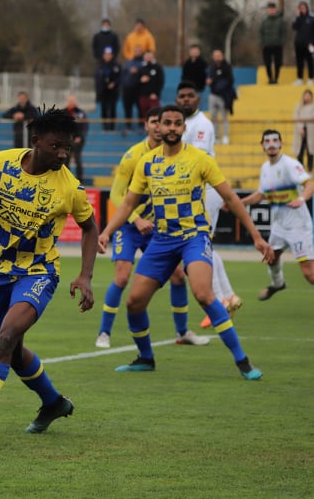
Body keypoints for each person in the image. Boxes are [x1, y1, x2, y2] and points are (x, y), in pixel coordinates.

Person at [0, 108, 98, 454]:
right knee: (10, 352)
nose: (63, 154)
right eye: (56, 146)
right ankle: (53, 403)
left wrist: (85, 275)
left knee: (5, 339)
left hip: (40, 272)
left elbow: (90, 228)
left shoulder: (70, 187)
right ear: (36, 141)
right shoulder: (0, 163)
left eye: (68, 148)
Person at [97, 104, 273, 380]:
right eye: (167, 122)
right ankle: (146, 358)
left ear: (184, 127)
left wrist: (257, 237)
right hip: (162, 239)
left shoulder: (200, 159)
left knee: (203, 294)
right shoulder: (147, 162)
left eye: (177, 123)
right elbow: (128, 203)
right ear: (159, 126)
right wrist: (107, 231)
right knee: (134, 302)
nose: (171, 128)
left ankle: (243, 362)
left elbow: (230, 198)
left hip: (194, 236)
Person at [95, 107, 205, 349]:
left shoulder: (175, 155)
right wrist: (136, 219)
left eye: (160, 122)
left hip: (157, 229)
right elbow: (116, 195)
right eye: (153, 122)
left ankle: (183, 332)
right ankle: (104, 333)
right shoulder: (133, 156)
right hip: (130, 227)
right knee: (122, 277)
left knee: (178, 276)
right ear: (146, 126)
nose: (157, 126)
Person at [175, 82, 243, 328]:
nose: (186, 99)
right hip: (196, 191)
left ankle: (220, 300)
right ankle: (228, 296)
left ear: (198, 99)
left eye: (190, 95)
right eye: (182, 96)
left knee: (198, 245)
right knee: (205, 246)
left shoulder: (202, 124)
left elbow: (197, 160)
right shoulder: (183, 124)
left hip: (203, 189)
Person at [240, 129, 314, 298]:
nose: (271, 144)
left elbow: (310, 185)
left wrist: (301, 199)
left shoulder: (290, 164)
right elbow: (261, 195)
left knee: (309, 274)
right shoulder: (265, 168)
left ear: (281, 144)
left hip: (298, 226)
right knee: (271, 258)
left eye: (275, 140)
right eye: (267, 141)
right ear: (262, 145)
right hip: (279, 226)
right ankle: (278, 284)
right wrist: (239, 203)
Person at [206, 48, 236, 144]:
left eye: (218, 56)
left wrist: (215, 82)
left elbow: (229, 80)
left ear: (222, 56)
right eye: (215, 56)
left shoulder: (227, 67)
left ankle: (225, 136)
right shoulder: (211, 67)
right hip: (213, 95)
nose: (217, 58)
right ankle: (216, 136)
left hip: (223, 96)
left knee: (224, 117)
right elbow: (209, 78)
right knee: (213, 117)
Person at [95, 47, 121, 131]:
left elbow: (120, 77)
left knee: (112, 108)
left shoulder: (116, 65)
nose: (107, 56)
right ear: (103, 55)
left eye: (109, 54)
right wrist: (98, 91)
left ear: (112, 55)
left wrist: (114, 83)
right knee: (104, 109)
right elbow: (97, 79)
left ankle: (112, 127)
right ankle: (105, 126)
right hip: (103, 91)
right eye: (106, 54)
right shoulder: (100, 65)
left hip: (113, 91)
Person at [260, 2, 285, 85]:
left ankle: (276, 78)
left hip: (277, 45)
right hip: (267, 45)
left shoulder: (280, 20)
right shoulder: (264, 21)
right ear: (268, 10)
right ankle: (270, 78)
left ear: (275, 9)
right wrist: (262, 42)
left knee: (278, 62)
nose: (271, 11)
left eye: (273, 9)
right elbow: (261, 32)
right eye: (270, 9)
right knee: (267, 62)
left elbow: (284, 32)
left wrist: (282, 42)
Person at [121, 45, 145, 132]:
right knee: (127, 108)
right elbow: (123, 74)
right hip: (127, 89)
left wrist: (138, 71)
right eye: (136, 51)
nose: (137, 53)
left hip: (138, 89)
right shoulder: (129, 62)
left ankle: (141, 125)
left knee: (140, 108)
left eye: (139, 51)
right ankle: (128, 125)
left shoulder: (144, 63)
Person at [63, 94, 87, 181]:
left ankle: (80, 179)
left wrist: (80, 137)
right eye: (70, 101)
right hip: (66, 141)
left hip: (78, 141)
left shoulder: (81, 113)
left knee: (78, 159)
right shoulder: (63, 113)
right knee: (65, 160)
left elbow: (84, 127)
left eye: (72, 101)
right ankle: (66, 179)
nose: (71, 103)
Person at [291, 1, 314, 85]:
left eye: (303, 8)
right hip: (299, 43)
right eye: (300, 8)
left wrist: (312, 42)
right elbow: (294, 27)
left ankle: (310, 78)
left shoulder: (312, 17)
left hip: (309, 44)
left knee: (310, 61)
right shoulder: (297, 18)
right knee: (299, 61)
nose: (302, 9)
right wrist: (297, 17)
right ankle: (299, 79)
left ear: (307, 8)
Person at [138, 50, 164, 120]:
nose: (148, 57)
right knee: (143, 114)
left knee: (154, 115)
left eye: (150, 56)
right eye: (146, 56)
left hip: (153, 96)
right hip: (143, 95)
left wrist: (156, 93)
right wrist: (140, 80)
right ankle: (143, 126)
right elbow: (136, 81)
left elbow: (160, 82)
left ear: (153, 57)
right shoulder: (141, 68)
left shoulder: (157, 67)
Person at [294, 89, 314, 170]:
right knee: (300, 151)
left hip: (311, 131)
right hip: (300, 131)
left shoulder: (313, 106)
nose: (307, 97)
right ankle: (300, 170)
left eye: (309, 96)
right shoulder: (299, 106)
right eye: (306, 95)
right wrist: (300, 128)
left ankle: (309, 170)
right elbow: (296, 117)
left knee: (310, 151)